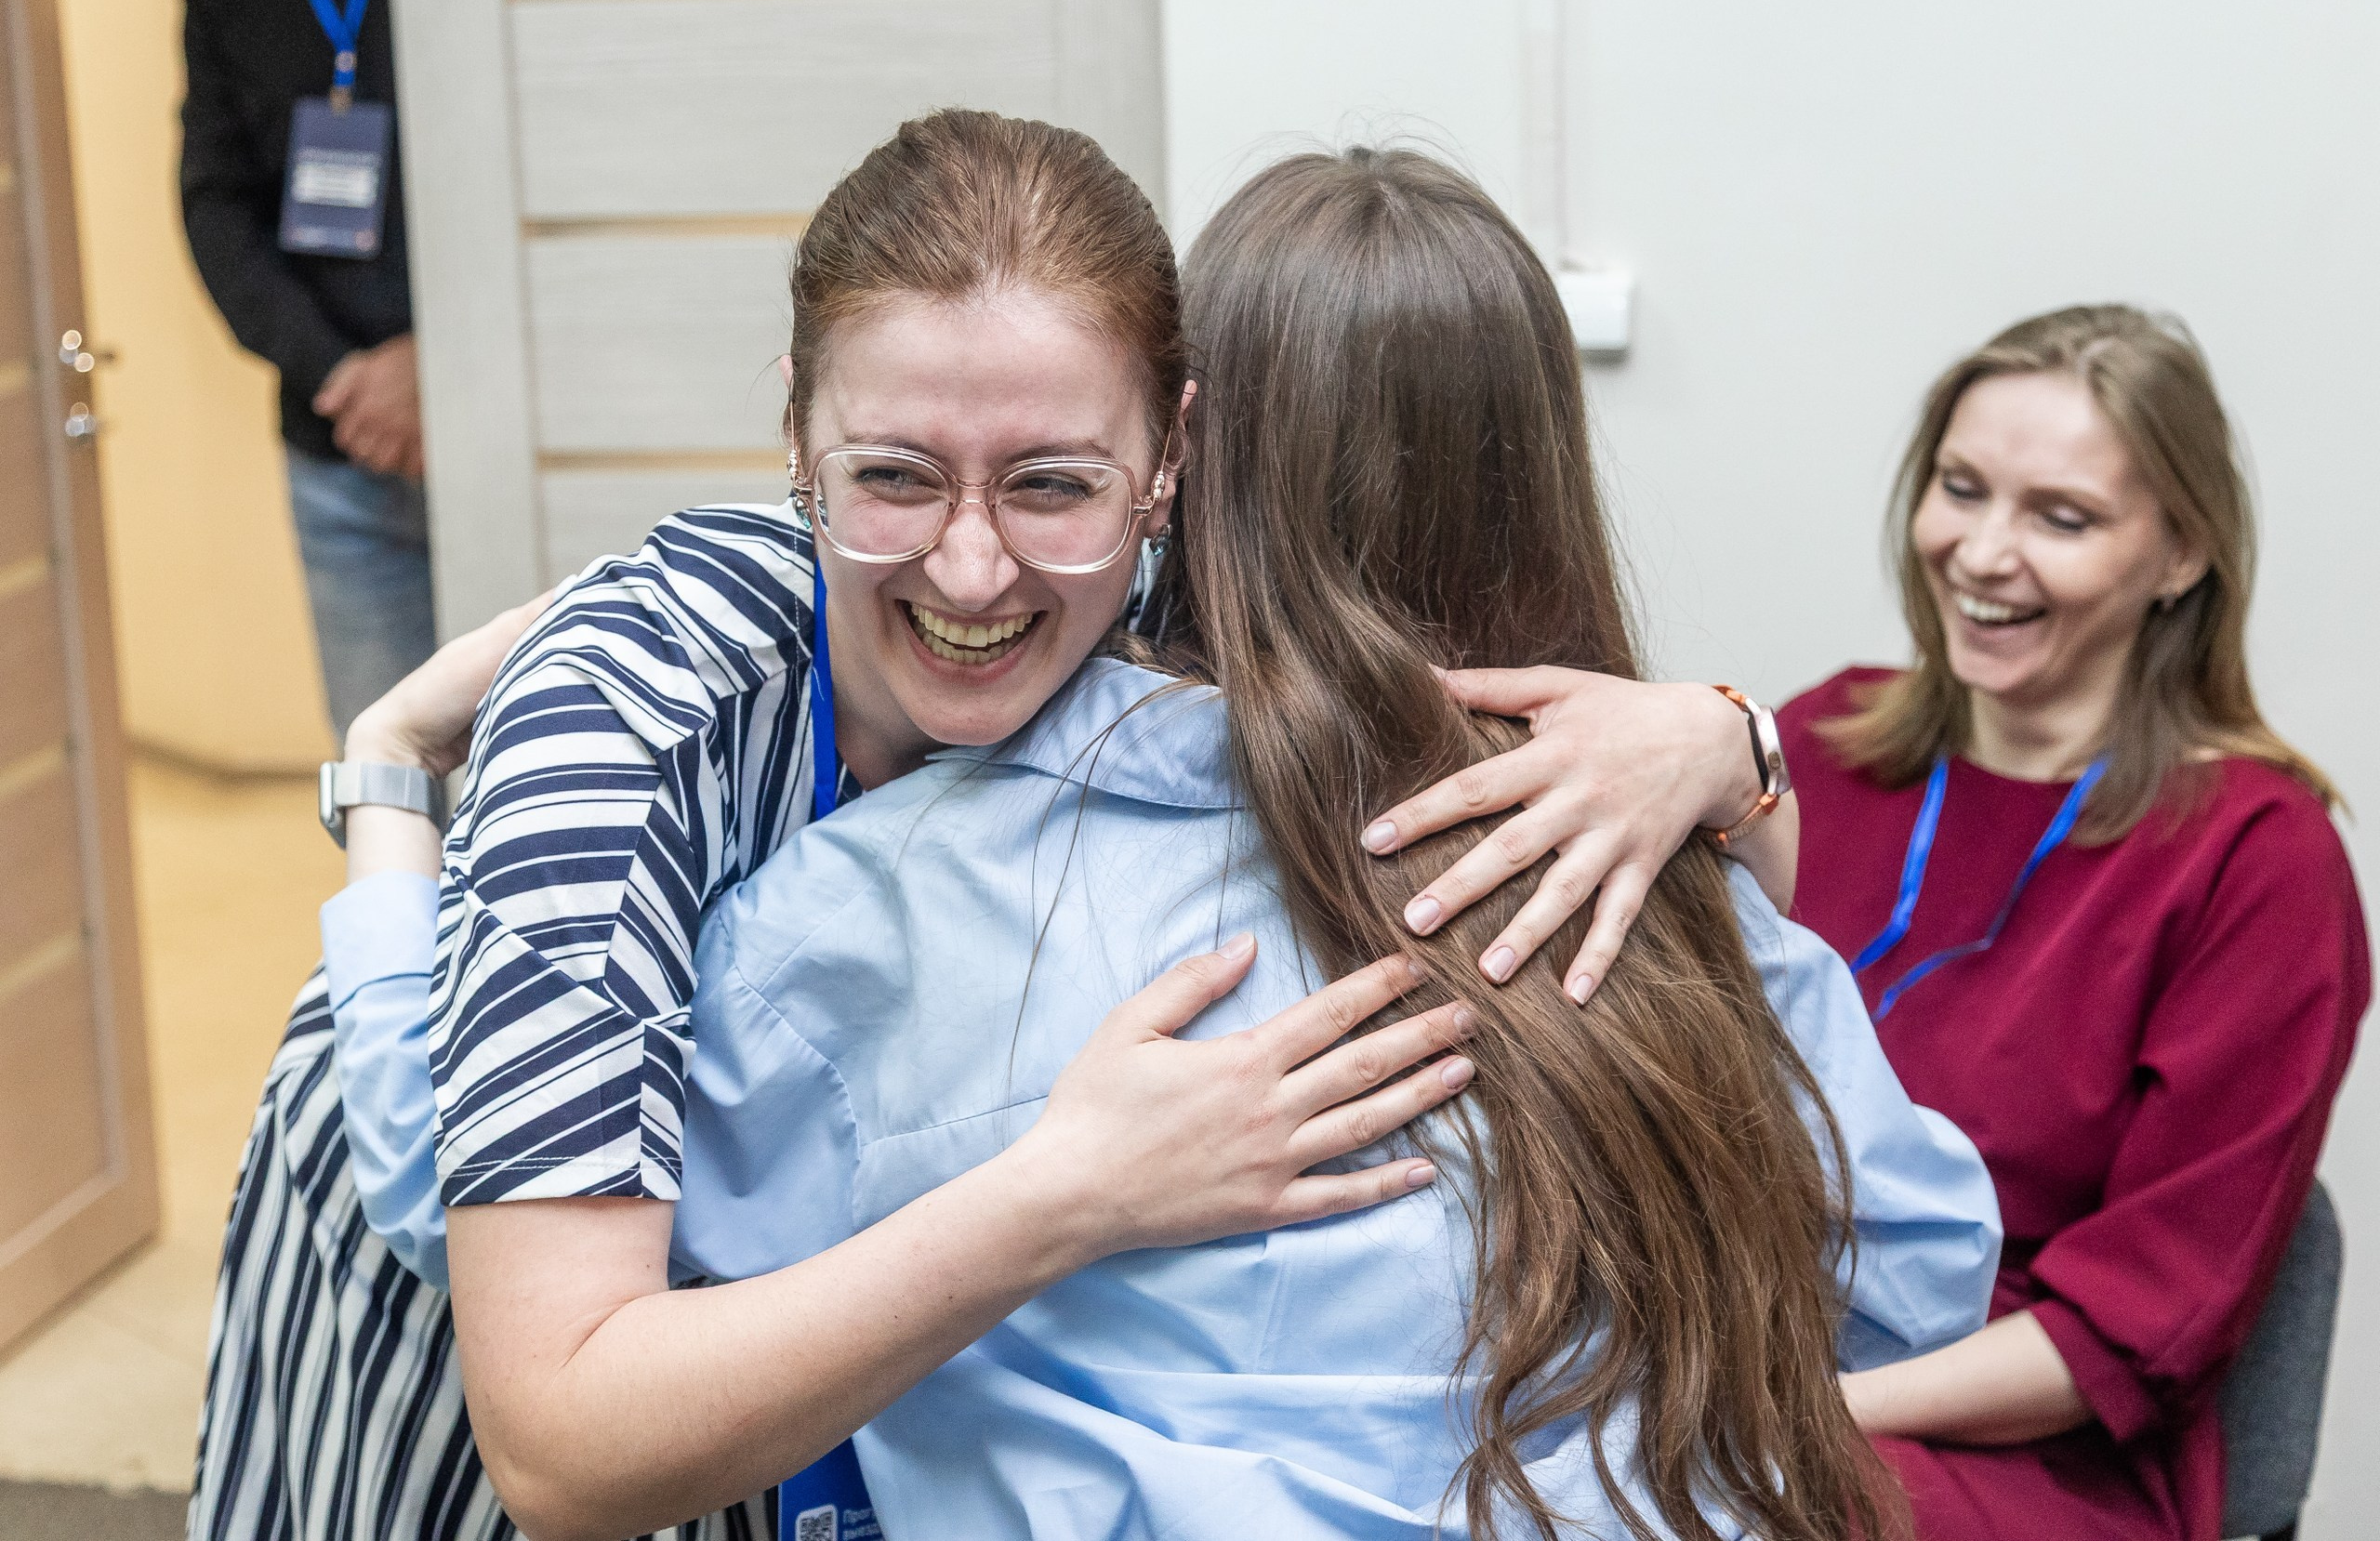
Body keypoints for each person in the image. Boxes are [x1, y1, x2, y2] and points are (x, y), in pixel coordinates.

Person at [192, 113, 1805, 1540]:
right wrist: (1072, 1189)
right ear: (796, 432)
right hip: (464, 1339)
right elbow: (558, 1432)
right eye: (894, 476)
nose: (973, 570)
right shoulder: (623, 722)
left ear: (1171, 460)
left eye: (1049, 484)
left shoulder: (1170, 610)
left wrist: (1727, 742)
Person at [1783, 305, 2369, 1540]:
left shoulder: (2260, 858)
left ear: (2180, 554)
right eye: (1961, 489)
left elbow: (2136, 1322)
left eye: (2061, 517)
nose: (1984, 553)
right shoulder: (1813, 746)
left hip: (2014, 1446)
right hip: (1740, 1343)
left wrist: (1788, 1413)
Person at [181, 0, 433, 737]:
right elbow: (216, 204)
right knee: (386, 771)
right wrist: (338, 372)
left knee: (543, 767)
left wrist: (435, 362)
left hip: (498, 423)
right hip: (340, 454)